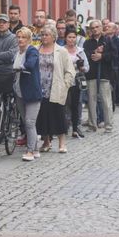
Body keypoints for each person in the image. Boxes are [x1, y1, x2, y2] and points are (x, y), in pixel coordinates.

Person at [35, 25, 75, 153]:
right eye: (42, 34)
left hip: (56, 87)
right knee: (42, 116)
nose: (44, 37)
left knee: (58, 115)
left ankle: (62, 143)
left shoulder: (61, 51)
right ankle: (46, 142)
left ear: (53, 37)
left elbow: (70, 70)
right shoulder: (36, 50)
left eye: (47, 35)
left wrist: (65, 85)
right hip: (40, 88)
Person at [13, 27, 42, 161]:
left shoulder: (32, 51)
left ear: (29, 39)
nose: (20, 39)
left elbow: (30, 64)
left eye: (23, 37)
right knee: (27, 122)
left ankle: (30, 151)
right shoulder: (17, 52)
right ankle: (35, 149)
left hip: (31, 92)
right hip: (19, 91)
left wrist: (22, 67)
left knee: (30, 122)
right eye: (19, 37)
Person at [84, 20, 114, 132]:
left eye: (97, 27)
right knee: (91, 101)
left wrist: (102, 56)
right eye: (93, 28)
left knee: (106, 101)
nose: (95, 29)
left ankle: (108, 125)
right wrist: (94, 52)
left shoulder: (107, 40)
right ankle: (92, 124)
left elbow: (114, 55)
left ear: (101, 28)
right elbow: (85, 55)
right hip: (91, 74)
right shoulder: (87, 42)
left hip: (104, 74)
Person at [64, 26, 89, 138]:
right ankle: (63, 127)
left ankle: (75, 128)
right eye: (69, 37)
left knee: (75, 105)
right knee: (63, 104)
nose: (72, 39)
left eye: (74, 37)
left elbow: (87, 68)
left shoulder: (80, 51)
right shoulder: (61, 50)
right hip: (64, 80)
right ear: (66, 38)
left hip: (76, 80)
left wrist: (81, 66)